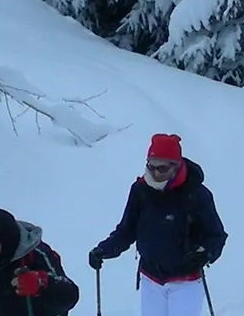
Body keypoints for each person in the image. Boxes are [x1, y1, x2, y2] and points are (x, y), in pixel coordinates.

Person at [88, 133, 228, 316]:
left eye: (161, 169)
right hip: (151, 278)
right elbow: (127, 229)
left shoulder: (197, 194)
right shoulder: (140, 190)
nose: (154, 173)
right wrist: (104, 250)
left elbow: (216, 235)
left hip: (185, 281)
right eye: (150, 166)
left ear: (176, 166)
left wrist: (206, 254)